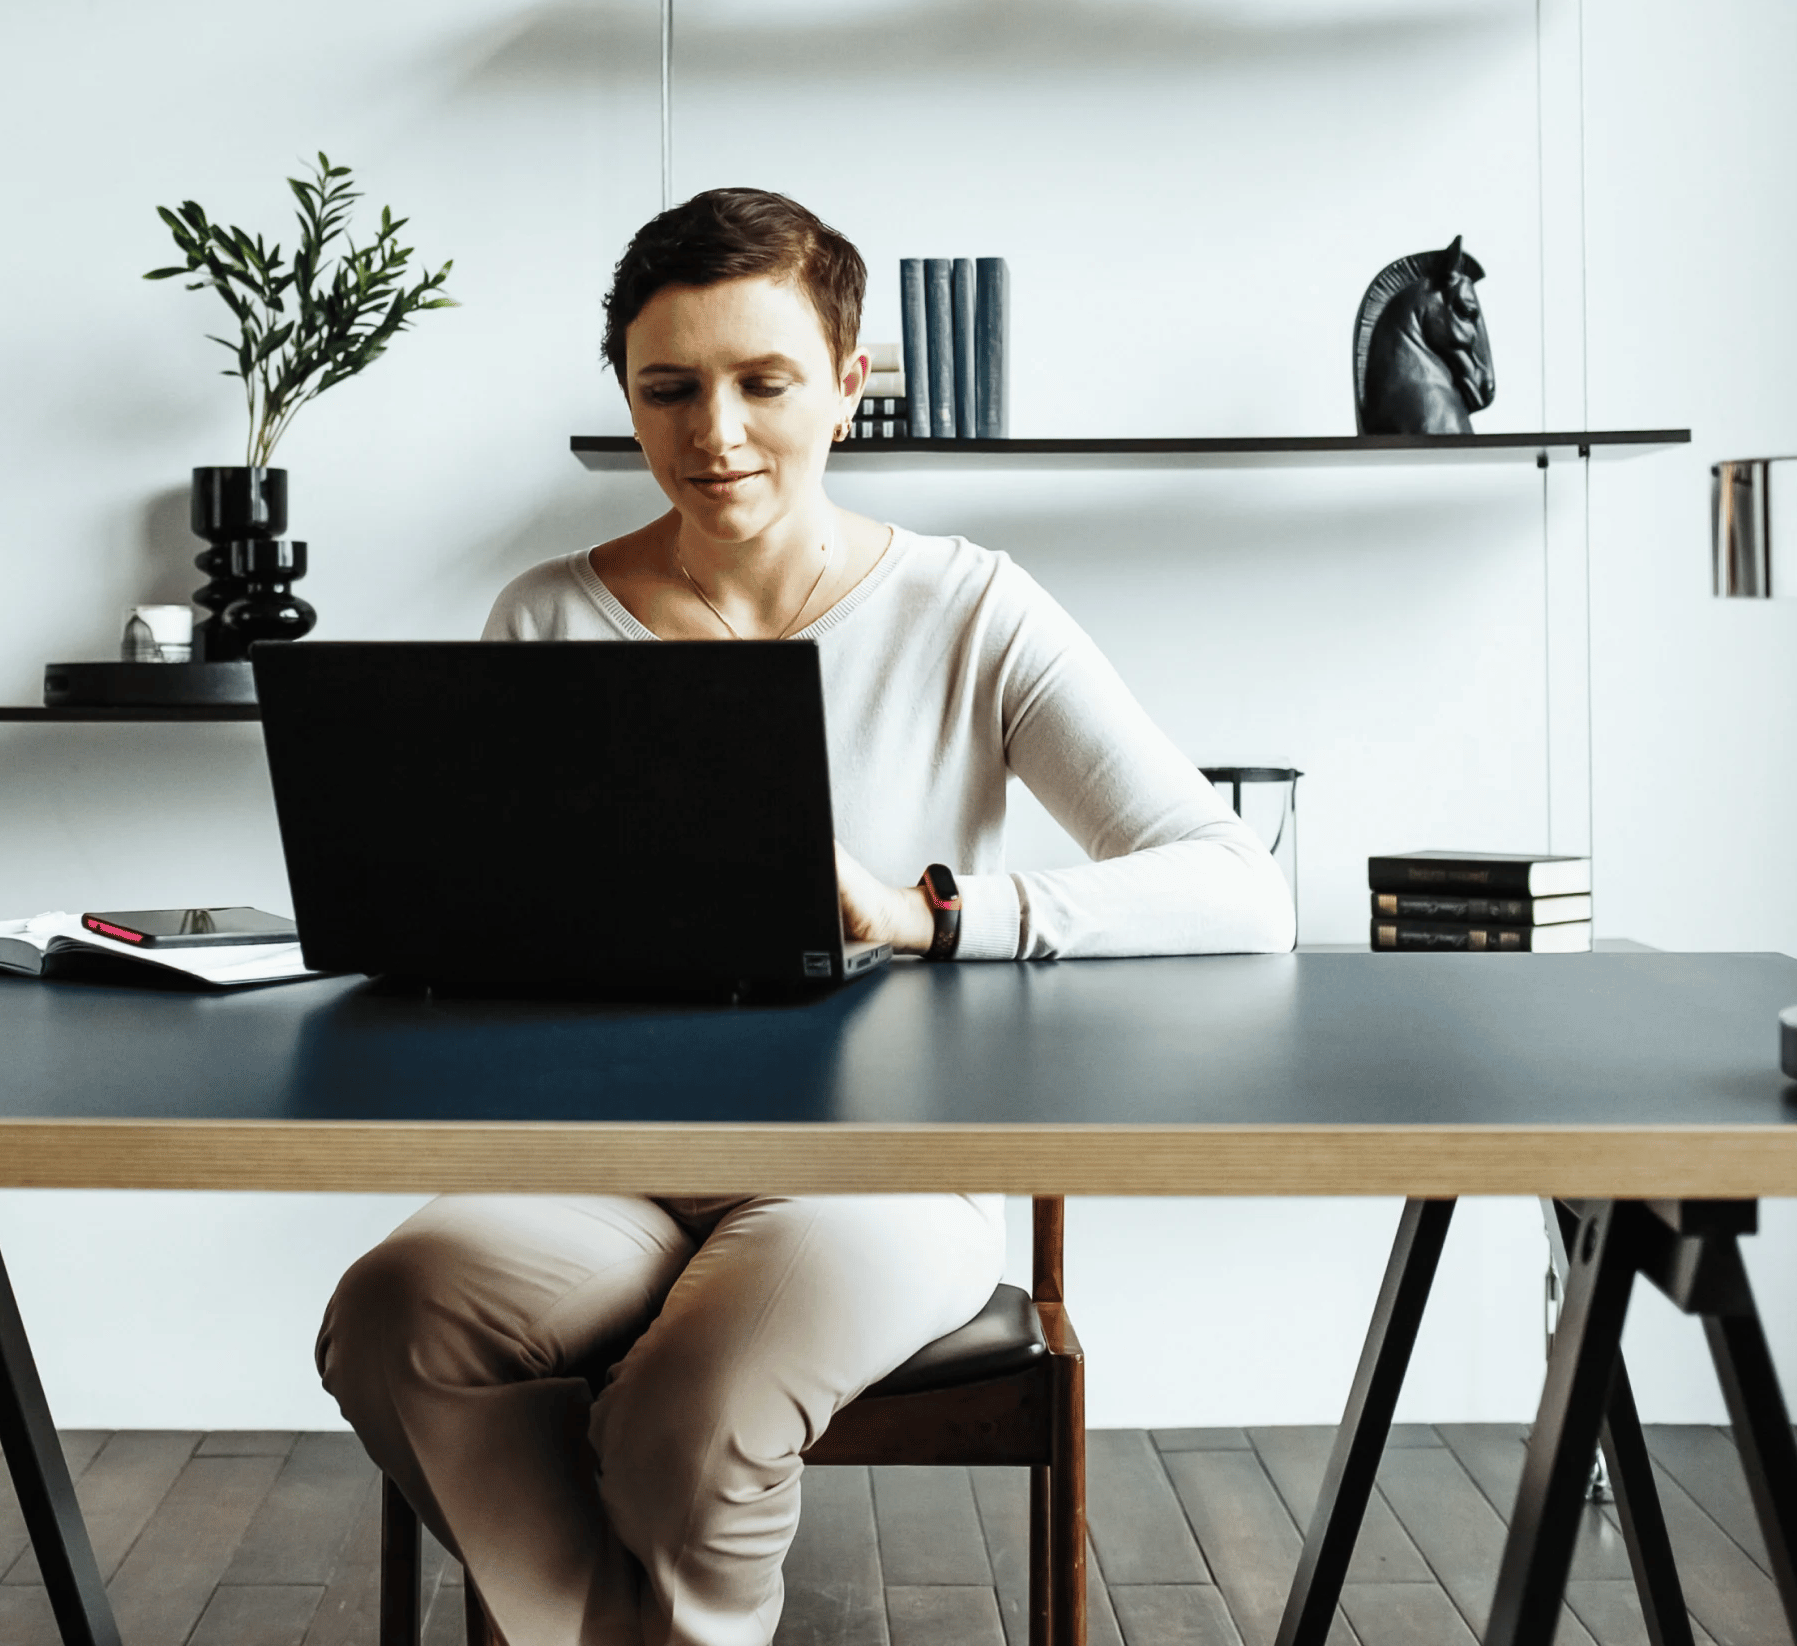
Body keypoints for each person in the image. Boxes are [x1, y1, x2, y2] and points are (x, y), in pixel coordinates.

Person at [317, 189, 1293, 1646]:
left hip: (886, 1171)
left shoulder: (976, 610)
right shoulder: (544, 618)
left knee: (691, 1415)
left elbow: (1236, 885)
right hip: (605, 1165)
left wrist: (929, 913)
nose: (714, 431)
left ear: (850, 386)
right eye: (669, 389)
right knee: (395, 1314)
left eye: (763, 383)